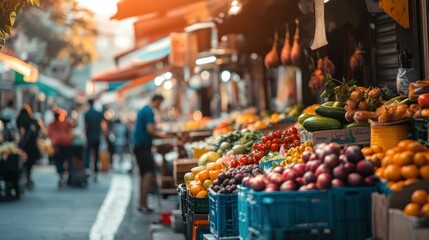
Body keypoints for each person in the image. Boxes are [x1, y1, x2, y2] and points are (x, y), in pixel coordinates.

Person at [133, 94, 169, 213]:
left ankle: (142, 203)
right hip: (143, 146)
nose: (160, 106)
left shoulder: (144, 110)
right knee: (148, 174)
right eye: (160, 103)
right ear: (156, 101)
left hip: (139, 146)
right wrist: (163, 136)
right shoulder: (149, 112)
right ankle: (143, 204)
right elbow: (150, 130)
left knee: (144, 174)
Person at [16, 104, 41, 189]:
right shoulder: (33, 120)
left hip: (24, 145)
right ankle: (28, 178)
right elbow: (38, 132)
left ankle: (27, 178)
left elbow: (20, 132)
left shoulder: (20, 119)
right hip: (33, 145)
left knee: (24, 163)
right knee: (30, 163)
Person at [47, 110, 73, 187]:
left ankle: (61, 175)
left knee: (58, 161)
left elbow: (49, 134)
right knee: (67, 160)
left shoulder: (51, 125)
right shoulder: (64, 123)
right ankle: (66, 176)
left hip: (57, 145)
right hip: (66, 143)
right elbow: (70, 127)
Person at [84, 99, 103, 182]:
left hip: (89, 137)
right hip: (97, 136)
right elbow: (102, 125)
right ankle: (95, 172)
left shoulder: (87, 114)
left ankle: (87, 169)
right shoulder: (98, 114)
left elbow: (86, 126)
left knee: (88, 153)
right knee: (96, 155)